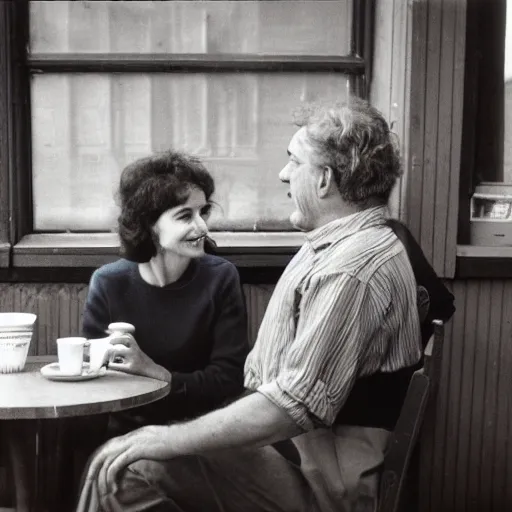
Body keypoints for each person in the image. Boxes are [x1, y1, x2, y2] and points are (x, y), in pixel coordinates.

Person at [77, 98, 426, 512]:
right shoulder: (336, 245)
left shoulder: (351, 269)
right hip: (293, 452)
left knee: (123, 470)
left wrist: (167, 438)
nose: (283, 174)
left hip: (316, 477)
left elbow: (291, 408)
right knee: (123, 455)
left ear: (324, 179)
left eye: (293, 162)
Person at [82, 150, 249, 428]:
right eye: (185, 216)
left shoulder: (221, 278)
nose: (202, 226)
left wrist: (153, 372)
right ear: (149, 225)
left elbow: (229, 381)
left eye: (203, 212)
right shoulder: (108, 283)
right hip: (128, 430)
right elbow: (95, 379)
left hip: (202, 429)